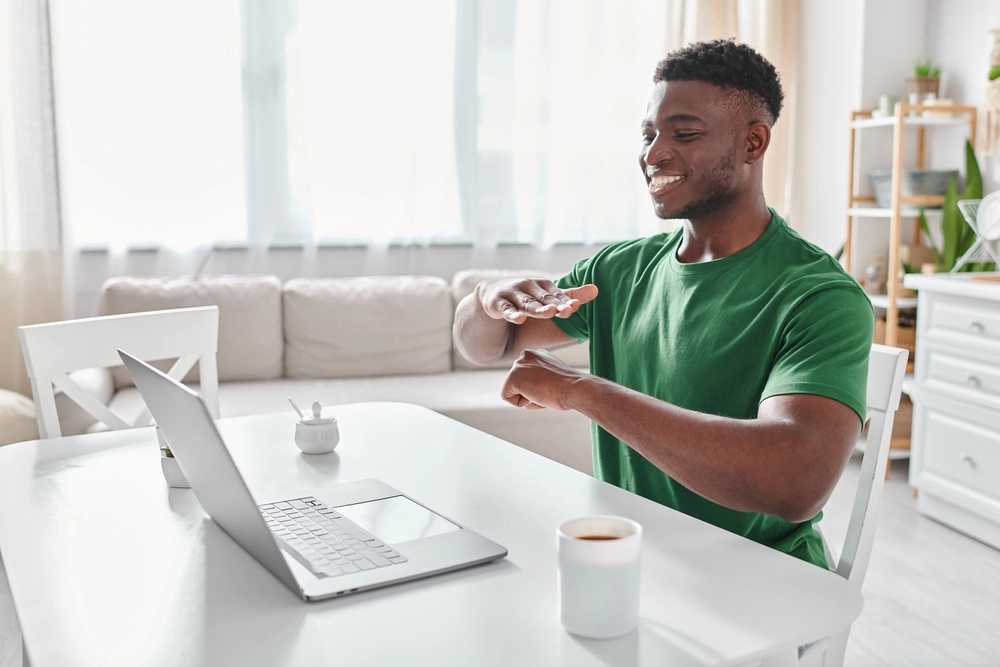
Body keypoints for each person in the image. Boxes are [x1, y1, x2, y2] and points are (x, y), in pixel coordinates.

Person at [452, 39, 873, 568]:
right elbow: (486, 346)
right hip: (634, 560)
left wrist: (583, 391)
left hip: (759, 581)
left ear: (753, 143)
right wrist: (484, 301)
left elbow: (795, 483)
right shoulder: (618, 270)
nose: (652, 154)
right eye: (648, 134)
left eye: (685, 133)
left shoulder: (819, 296)